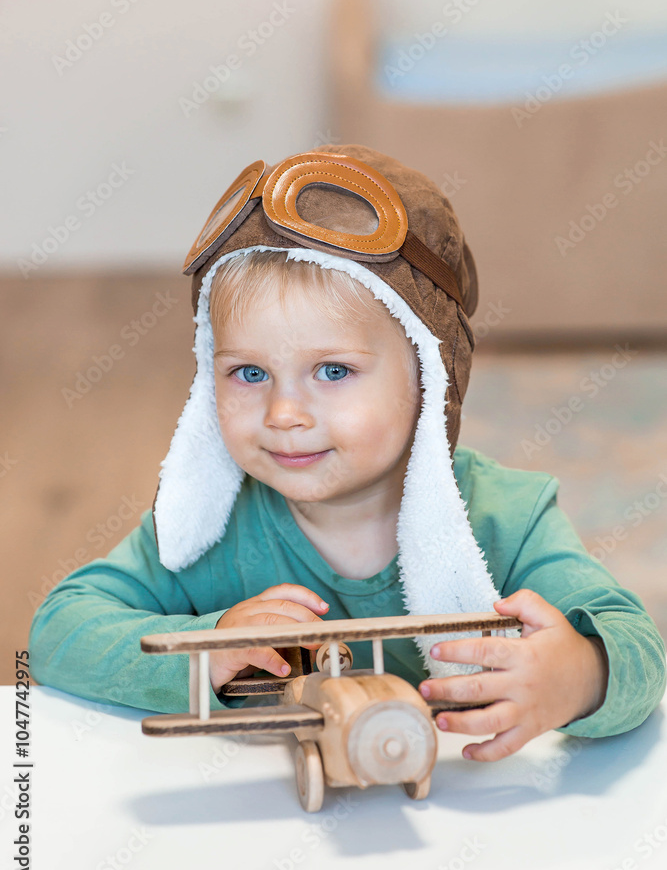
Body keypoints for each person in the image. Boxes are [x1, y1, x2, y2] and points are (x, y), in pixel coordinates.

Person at [30, 145, 666, 763]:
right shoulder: (208, 532)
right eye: (249, 374)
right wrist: (204, 649)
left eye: (332, 370)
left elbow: (640, 652)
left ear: (430, 376)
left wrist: (580, 676)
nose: (284, 414)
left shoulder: (509, 519)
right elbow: (58, 632)